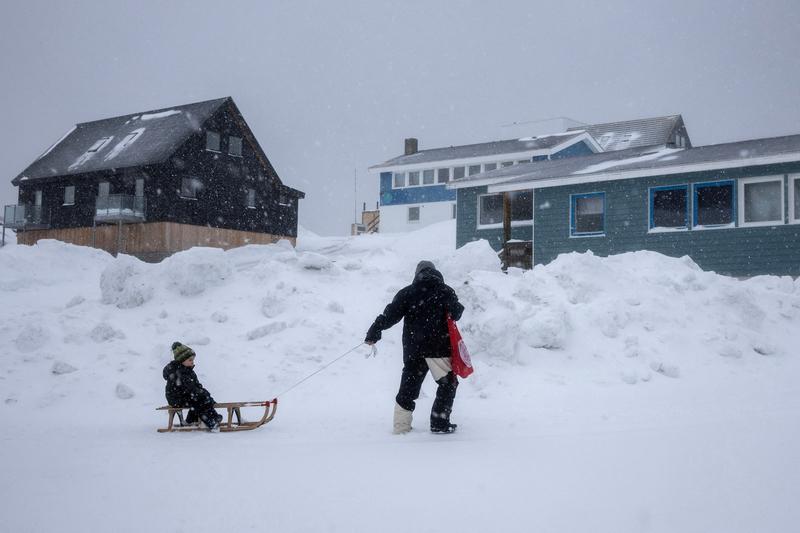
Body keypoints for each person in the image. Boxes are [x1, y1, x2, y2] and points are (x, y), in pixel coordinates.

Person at [365, 260, 465, 434]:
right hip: (438, 349)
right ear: (436, 272)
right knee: (448, 385)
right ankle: (439, 422)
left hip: (414, 350)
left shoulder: (407, 292)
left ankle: (401, 427)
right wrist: (455, 305)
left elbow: (390, 316)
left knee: (408, 390)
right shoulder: (445, 291)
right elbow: (456, 313)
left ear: (417, 274)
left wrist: (374, 331)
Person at [162, 342, 223, 431]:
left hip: (186, 395)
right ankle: (211, 422)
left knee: (202, 398)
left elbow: (196, 385)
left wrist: (204, 392)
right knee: (198, 400)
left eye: (193, 360)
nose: (192, 362)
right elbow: (188, 388)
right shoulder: (179, 372)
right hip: (176, 398)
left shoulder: (189, 371)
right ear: (182, 360)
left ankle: (194, 420)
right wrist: (200, 393)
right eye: (190, 360)